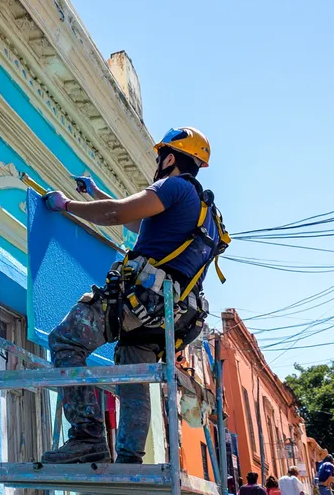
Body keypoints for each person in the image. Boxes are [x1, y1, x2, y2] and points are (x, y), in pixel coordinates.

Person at [39, 127, 229, 464]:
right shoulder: (206, 211)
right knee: (132, 378)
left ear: (169, 158)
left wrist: (66, 204)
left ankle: (87, 437)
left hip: (140, 301)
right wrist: (96, 192)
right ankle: (129, 458)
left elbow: (118, 214)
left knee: (66, 340)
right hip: (171, 316)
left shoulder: (173, 186)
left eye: (160, 157)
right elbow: (139, 226)